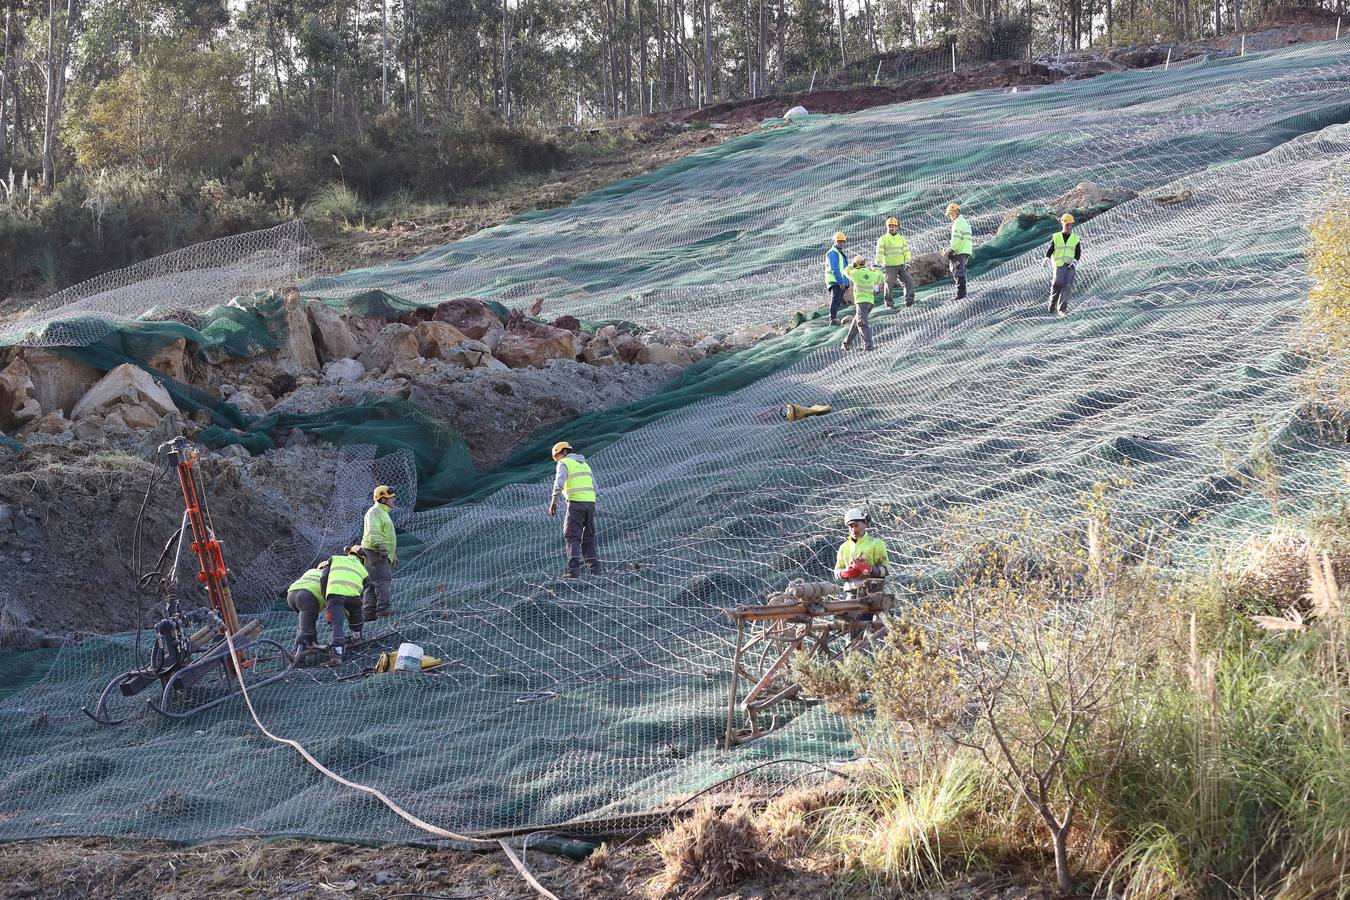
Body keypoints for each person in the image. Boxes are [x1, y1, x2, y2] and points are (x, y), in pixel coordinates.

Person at [548, 441, 601, 578]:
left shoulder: (564, 463)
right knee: (588, 537)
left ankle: (573, 570)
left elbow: (559, 483)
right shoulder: (584, 464)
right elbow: (595, 487)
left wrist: (554, 502)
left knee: (572, 535)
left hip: (576, 503)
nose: (557, 460)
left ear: (565, 452)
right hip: (590, 503)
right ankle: (595, 570)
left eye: (558, 456)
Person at [324, 546, 369, 666]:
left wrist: (326, 595)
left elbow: (324, 577)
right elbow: (367, 583)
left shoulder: (335, 559)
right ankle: (357, 636)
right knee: (356, 613)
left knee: (336, 623)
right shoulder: (362, 568)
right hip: (354, 595)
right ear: (362, 558)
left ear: (348, 553)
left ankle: (337, 654)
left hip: (335, 594)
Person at [833, 508, 890, 599]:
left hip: (873, 593)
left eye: (856, 525)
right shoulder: (843, 547)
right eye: (850, 526)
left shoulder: (876, 544)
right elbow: (837, 571)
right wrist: (845, 573)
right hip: (851, 594)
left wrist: (868, 569)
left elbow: (886, 569)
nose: (853, 529)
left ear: (865, 524)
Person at [361, 485, 397, 623]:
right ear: (382, 499)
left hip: (377, 552)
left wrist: (393, 554)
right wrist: (381, 547)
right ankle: (383, 609)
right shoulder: (375, 512)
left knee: (372, 582)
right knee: (383, 578)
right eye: (390, 498)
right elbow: (373, 532)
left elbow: (386, 535)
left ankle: (368, 613)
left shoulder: (381, 513)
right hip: (375, 551)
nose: (392, 501)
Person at [286, 559, 329, 656]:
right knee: (306, 629)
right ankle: (296, 655)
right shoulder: (329, 576)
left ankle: (312, 643)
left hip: (291, 595)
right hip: (307, 597)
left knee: (308, 621)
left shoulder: (311, 571)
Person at [841, 256, 883, 352]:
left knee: (861, 324)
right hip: (870, 303)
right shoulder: (871, 274)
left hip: (861, 302)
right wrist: (875, 269)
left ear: (856, 264)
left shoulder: (855, 273)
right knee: (856, 322)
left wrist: (852, 265)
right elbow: (880, 277)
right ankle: (846, 343)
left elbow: (845, 270)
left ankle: (868, 346)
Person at [1045, 213, 1081, 316]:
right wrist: (1047, 257)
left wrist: (1074, 261)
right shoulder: (1056, 236)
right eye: (1067, 224)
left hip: (1070, 264)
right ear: (1063, 224)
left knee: (1067, 285)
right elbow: (1051, 248)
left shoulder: (1075, 238)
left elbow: (1078, 252)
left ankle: (1062, 309)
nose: (1069, 227)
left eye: (1070, 224)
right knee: (1058, 282)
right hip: (1059, 263)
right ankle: (1052, 302)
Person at [875, 217, 915, 307]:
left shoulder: (901, 238)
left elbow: (906, 251)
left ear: (897, 227)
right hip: (889, 266)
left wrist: (907, 262)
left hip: (901, 265)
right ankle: (889, 304)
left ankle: (909, 301)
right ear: (886, 227)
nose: (891, 228)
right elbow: (879, 252)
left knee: (909, 282)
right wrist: (878, 264)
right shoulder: (883, 239)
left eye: (893, 226)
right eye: (890, 226)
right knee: (888, 285)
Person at [945, 203, 973, 300]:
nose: (950, 216)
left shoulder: (958, 223)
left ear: (956, 212)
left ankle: (961, 295)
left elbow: (956, 238)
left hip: (959, 251)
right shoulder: (964, 221)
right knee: (959, 270)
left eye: (951, 214)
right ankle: (962, 293)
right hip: (965, 250)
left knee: (958, 271)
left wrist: (952, 250)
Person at [825, 232, 851, 326]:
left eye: (843, 241)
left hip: (840, 282)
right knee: (835, 300)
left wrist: (847, 282)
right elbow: (835, 269)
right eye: (839, 241)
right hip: (835, 281)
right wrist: (841, 282)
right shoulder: (833, 253)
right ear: (834, 241)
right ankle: (833, 318)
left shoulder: (839, 253)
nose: (841, 243)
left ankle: (834, 317)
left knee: (838, 300)